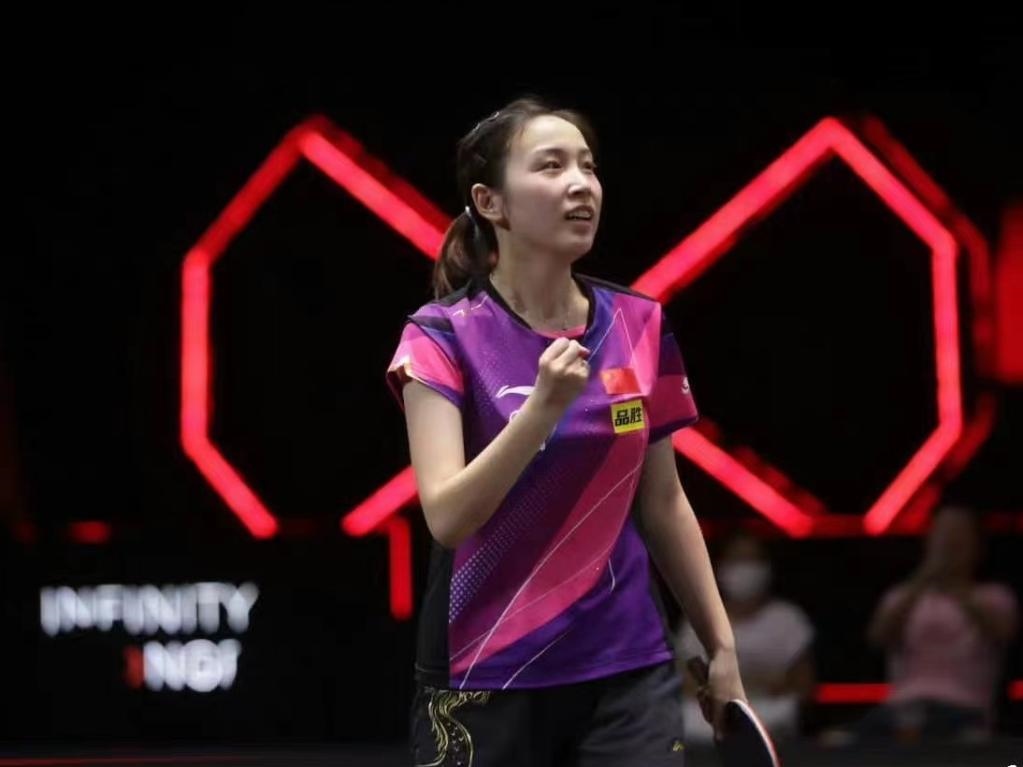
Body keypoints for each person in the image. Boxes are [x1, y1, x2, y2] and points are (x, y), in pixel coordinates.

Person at [384, 96, 747, 766]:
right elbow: (448, 516)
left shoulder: (638, 324)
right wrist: (541, 411)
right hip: (485, 676)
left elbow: (663, 502)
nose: (581, 184)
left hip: (626, 670)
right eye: (551, 167)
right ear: (491, 202)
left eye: (588, 166)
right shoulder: (439, 336)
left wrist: (720, 645)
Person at [857, 504, 1018, 742]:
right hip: (901, 708)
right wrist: (924, 578)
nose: (949, 542)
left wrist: (955, 585)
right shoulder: (902, 596)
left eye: (959, 534)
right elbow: (878, 637)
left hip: (965, 710)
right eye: (943, 533)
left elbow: (1003, 633)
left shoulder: (995, 596)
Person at [675, 529, 816, 745]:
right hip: (708, 715)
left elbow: (803, 686)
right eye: (737, 559)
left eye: (752, 559)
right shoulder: (698, 618)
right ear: (720, 567)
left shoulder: (788, 618)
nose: (745, 568)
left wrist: (755, 688)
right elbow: (685, 682)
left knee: (779, 715)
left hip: (768, 709)